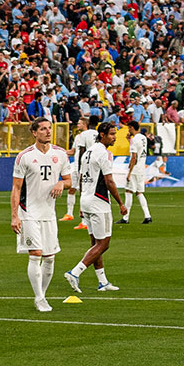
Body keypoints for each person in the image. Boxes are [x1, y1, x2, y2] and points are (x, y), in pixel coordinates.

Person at [9, 118, 69, 312]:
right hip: (28, 212)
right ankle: (39, 297)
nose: (48, 131)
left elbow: (69, 180)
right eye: (43, 129)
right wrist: (14, 216)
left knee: (50, 257)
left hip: (49, 213)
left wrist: (61, 183)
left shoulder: (60, 154)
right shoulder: (24, 156)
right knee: (36, 254)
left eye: (49, 128)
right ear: (34, 132)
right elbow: (16, 188)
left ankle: (42, 296)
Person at [65, 120, 122, 293]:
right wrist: (120, 203)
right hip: (99, 202)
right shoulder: (103, 153)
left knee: (94, 243)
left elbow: (82, 178)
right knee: (104, 244)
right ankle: (75, 272)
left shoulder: (87, 152)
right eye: (111, 134)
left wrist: (82, 202)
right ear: (102, 135)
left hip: (86, 200)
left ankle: (103, 282)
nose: (114, 138)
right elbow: (109, 181)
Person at [121, 122, 156, 224]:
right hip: (141, 169)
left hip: (134, 169)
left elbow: (134, 157)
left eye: (129, 128)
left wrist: (129, 173)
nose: (128, 131)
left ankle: (125, 218)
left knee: (128, 191)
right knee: (139, 192)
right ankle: (147, 216)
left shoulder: (135, 140)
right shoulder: (142, 138)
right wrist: (129, 140)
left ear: (132, 128)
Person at [65, 113, 94, 223]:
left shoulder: (87, 136)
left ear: (85, 124)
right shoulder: (78, 137)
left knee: (84, 192)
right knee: (72, 189)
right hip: (76, 166)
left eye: (80, 123)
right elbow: (73, 151)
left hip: (83, 167)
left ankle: (84, 221)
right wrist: (59, 151)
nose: (77, 125)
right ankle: (69, 213)